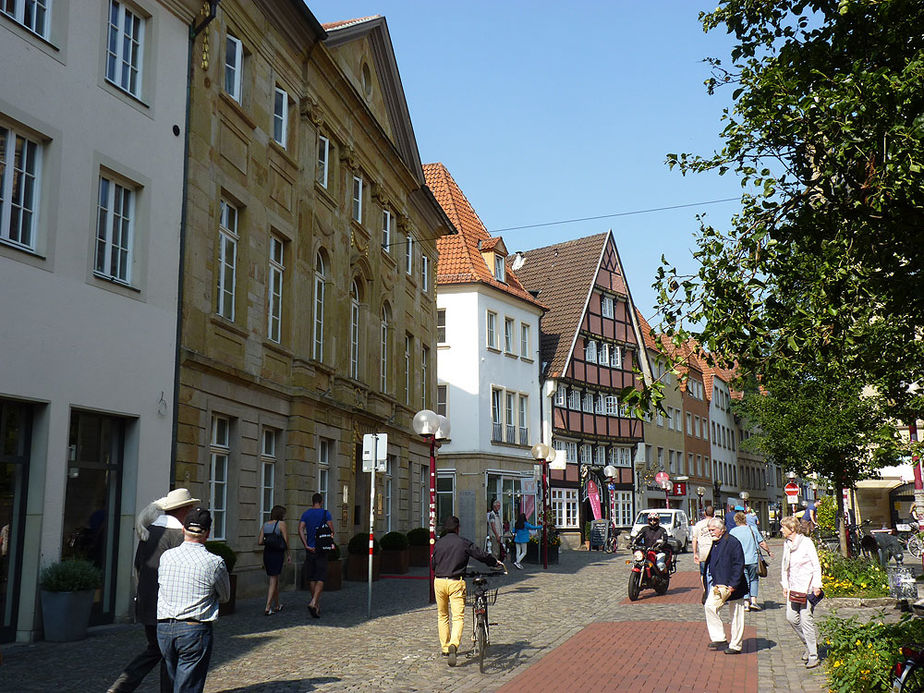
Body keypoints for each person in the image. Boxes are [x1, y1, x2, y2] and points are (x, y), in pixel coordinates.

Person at [107, 488, 199, 693]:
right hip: (168, 605)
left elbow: (138, 565)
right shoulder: (179, 535)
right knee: (168, 653)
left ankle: (121, 687)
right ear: (183, 509)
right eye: (190, 506)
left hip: (147, 601)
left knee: (157, 650)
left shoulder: (150, 531)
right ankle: (122, 687)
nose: (192, 509)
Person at [156, 507, 230, 693]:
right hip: (193, 628)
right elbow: (226, 596)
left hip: (164, 628)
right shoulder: (214, 562)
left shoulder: (166, 557)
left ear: (183, 529)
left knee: (168, 683)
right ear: (207, 533)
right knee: (188, 685)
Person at [432, 515, 503, 666]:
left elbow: (433, 564)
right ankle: (454, 644)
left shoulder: (439, 544)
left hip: (439, 582)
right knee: (457, 616)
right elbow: (479, 554)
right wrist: (494, 561)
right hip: (455, 582)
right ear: (458, 528)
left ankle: (445, 647)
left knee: (442, 615)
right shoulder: (462, 543)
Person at [780, 515, 823, 669]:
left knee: (806, 620)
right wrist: (785, 585)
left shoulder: (806, 543)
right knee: (791, 618)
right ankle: (809, 644)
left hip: (808, 587)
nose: (780, 530)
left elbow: (816, 565)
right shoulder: (787, 544)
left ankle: (813, 655)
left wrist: (817, 585)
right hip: (793, 588)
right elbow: (785, 566)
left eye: (783, 527)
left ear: (791, 529)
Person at [703, 517, 748, 655]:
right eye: (709, 530)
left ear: (721, 530)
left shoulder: (733, 542)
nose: (710, 532)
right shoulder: (716, 542)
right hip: (718, 585)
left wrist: (733, 585)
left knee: (736, 616)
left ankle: (735, 645)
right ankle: (719, 638)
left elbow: (738, 564)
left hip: (733, 585)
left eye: (713, 530)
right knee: (709, 606)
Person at [298, 493, 334, 619]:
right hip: (321, 550)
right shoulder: (325, 513)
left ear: (312, 502)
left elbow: (300, 529)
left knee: (312, 578)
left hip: (310, 549)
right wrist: (330, 543)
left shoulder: (306, 514)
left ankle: (316, 604)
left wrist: (306, 544)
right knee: (321, 577)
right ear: (321, 501)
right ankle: (314, 602)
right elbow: (331, 531)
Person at [729, 511, 773, 611]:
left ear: (736, 521)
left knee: (745, 581)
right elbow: (762, 543)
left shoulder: (733, 532)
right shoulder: (752, 529)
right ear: (745, 519)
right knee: (754, 579)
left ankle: (745, 603)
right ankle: (754, 601)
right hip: (753, 559)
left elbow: (730, 547)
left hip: (740, 561)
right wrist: (769, 551)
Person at [258, 504, 290, 615]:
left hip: (267, 553)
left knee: (274, 578)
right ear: (281, 514)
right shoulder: (281, 524)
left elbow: (260, 541)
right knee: (273, 579)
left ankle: (277, 605)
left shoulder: (265, 524)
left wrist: (269, 540)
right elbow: (286, 541)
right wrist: (288, 555)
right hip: (277, 554)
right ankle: (267, 607)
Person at [692, 505, 715, 597]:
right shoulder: (717, 522)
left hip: (703, 551)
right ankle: (713, 590)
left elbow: (694, 539)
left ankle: (706, 589)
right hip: (715, 550)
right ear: (714, 514)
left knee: (703, 572)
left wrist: (695, 553)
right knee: (715, 571)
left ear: (705, 513)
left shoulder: (699, 524)